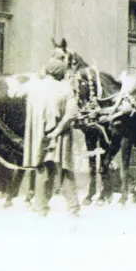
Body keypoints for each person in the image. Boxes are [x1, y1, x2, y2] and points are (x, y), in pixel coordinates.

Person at [22, 56, 80, 217]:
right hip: (60, 136)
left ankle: (41, 208)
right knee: (65, 169)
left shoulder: (34, 86)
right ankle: (73, 208)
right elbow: (72, 113)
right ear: (61, 72)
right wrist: (56, 131)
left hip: (40, 136)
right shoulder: (66, 89)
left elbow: (13, 93)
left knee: (42, 170)